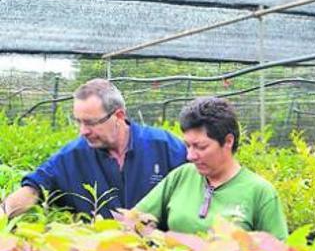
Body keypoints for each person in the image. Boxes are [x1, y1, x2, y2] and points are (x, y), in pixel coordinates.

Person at [0, 79, 186, 219]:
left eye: (90, 123)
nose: (83, 131)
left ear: (118, 116)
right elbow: (33, 189)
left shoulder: (164, 146)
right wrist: (4, 212)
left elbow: (203, 183)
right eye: (78, 122)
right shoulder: (71, 157)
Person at [135, 97, 288, 241]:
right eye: (188, 146)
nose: (190, 156)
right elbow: (134, 220)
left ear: (228, 141)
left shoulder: (260, 192)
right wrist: (157, 238)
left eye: (201, 147)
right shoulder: (182, 176)